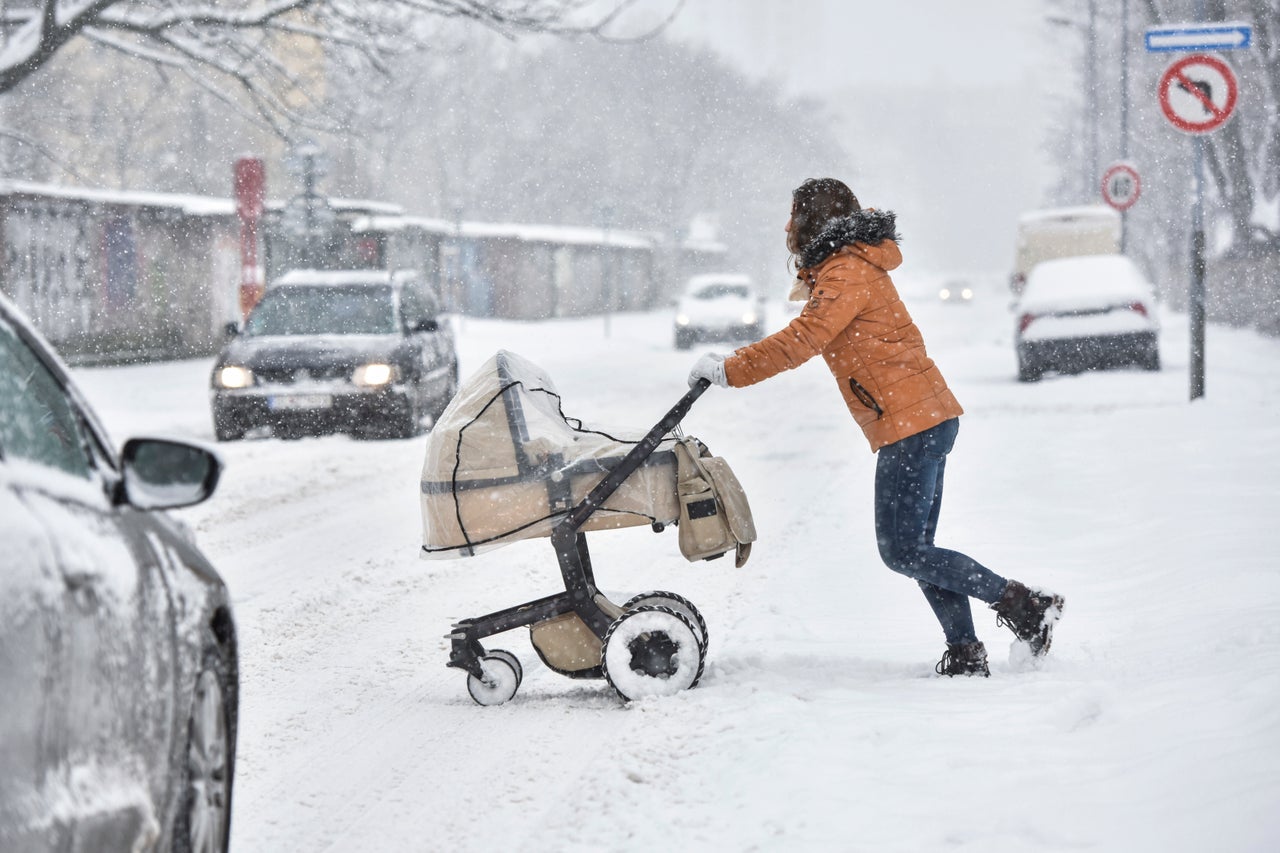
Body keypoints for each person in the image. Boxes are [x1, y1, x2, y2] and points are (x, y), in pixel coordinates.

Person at [688, 177, 1063, 677]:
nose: (785, 224)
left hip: (911, 425)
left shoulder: (846, 271)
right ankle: (967, 650)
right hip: (921, 419)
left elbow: (803, 339)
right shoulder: (847, 266)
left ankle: (1023, 603)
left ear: (812, 220)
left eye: (793, 214)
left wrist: (729, 369)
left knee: (902, 551)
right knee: (919, 551)